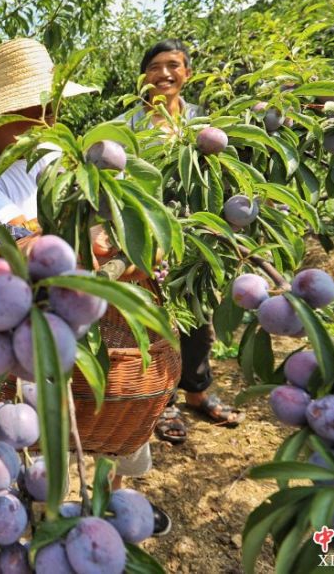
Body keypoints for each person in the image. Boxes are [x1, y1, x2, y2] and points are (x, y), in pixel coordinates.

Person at [0, 38, 170, 536]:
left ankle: (114, 504)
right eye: (40, 104)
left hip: (77, 306)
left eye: (53, 102)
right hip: (25, 324)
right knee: (36, 435)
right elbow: (37, 247)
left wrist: (122, 240)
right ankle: (43, 522)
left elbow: (91, 228)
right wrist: (114, 255)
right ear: (11, 108)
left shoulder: (46, 152)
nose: (53, 113)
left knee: (113, 408)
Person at [123, 39, 244, 444]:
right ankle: (164, 400)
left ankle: (197, 390)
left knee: (199, 321)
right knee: (156, 322)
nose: (164, 74)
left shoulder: (202, 125)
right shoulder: (128, 127)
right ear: (144, 77)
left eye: (173, 65)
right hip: (149, 240)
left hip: (197, 240)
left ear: (187, 73)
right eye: (155, 67)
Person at [0, 38, 97, 228]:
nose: (52, 126)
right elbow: (24, 238)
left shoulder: (47, 147)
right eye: (45, 114)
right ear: (5, 113)